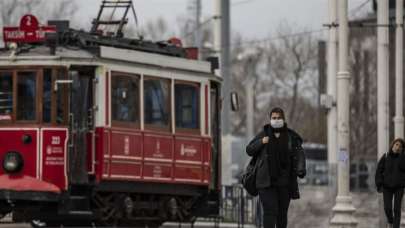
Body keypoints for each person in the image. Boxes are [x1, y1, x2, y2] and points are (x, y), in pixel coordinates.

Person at [246, 107, 306, 228]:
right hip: (266, 183)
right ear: (270, 119)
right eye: (274, 118)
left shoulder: (291, 136)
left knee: (282, 214)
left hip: (285, 184)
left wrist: (301, 169)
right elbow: (249, 150)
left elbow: (300, 153)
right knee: (269, 212)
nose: (276, 120)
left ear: (283, 119)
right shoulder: (264, 134)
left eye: (279, 118)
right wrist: (261, 142)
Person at [375, 138, 405, 228]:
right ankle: (390, 221)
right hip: (387, 187)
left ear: (402, 149)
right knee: (387, 208)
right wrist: (379, 184)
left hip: (399, 187)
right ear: (392, 145)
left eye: (400, 146)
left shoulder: (403, 158)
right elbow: (379, 171)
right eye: (396, 145)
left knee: (397, 209)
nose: (398, 147)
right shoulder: (386, 156)